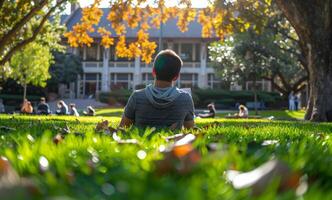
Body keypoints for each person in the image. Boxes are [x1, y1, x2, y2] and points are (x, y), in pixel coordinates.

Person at [119, 49, 195, 129]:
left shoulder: (137, 97)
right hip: (172, 141)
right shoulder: (185, 99)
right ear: (176, 76)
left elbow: (122, 128)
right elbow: (190, 130)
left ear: (153, 72)